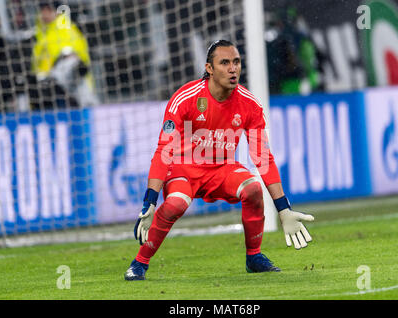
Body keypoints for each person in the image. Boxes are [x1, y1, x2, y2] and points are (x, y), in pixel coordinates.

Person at [124, 40, 315, 281]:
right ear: (209, 68)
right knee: (176, 203)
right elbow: (163, 151)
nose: (232, 68)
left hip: (221, 169)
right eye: (224, 63)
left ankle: (254, 257)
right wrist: (150, 201)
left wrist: (283, 209)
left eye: (236, 62)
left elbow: (263, 157)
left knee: (253, 189)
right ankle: (139, 263)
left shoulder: (249, 104)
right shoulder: (185, 98)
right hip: (183, 168)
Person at [31, 0, 98, 108]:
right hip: (47, 92)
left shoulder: (66, 29)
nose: (44, 13)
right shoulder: (40, 34)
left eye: (49, 10)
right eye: (42, 10)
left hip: (70, 92)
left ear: (58, 12)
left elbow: (75, 62)